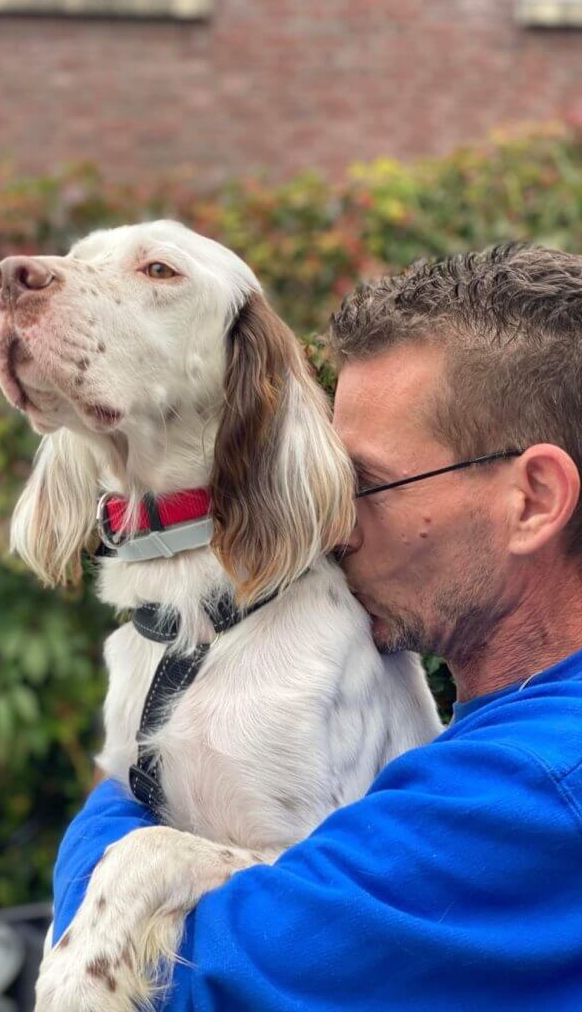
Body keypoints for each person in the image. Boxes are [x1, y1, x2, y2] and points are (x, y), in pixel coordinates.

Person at [49, 243, 582, 1010]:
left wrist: (122, 805)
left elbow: (208, 978)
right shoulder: (486, 745)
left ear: (531, 500)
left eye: (362, 483)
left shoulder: (534, 786)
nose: (330, 522)